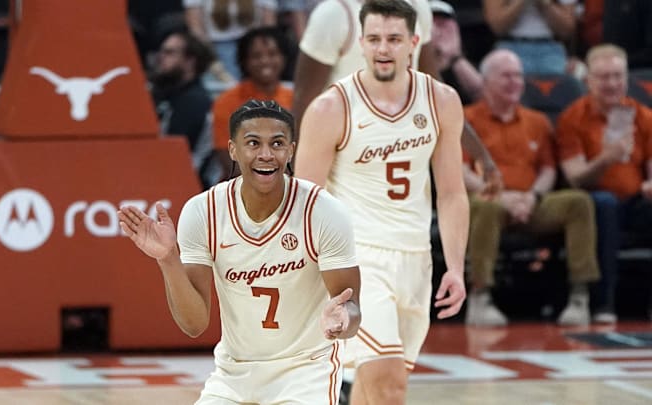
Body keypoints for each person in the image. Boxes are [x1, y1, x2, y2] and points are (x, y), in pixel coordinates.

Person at [118, 100, 361, 404]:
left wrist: (343, 318)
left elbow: (352, 308)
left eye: (277, 143)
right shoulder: (203, 211)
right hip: (234, 373)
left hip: (305, 370)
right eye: (253, 143)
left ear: (291, 151)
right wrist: (168, 260)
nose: (266, 154)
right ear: (233, 149)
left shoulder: (323, 211)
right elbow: (194, 325)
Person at [295, 1, 468, 403]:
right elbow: (304, 201)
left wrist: (455, 267)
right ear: (361, 43)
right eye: (373, 39)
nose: (383, 49)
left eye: (393, 39)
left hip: (416, 259)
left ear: (414, 42)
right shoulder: (331, 107)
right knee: (389, 386)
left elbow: (453, 191)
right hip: (359, 263)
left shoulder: (441, 101)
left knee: (374, 388)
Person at [293, 0, 503, 198]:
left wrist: (481, 155)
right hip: (343, 162)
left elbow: (436, 93)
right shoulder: (334, 15)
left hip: (401, 156)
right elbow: (303, 103)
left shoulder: (417, 7)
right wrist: (295, 183)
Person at [464, 49, 600, 327]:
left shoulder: (537, 121)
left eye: (518, 76)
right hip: (487, 200)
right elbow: (459, 171)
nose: (515, 82)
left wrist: (532, 197)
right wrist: (501, 196)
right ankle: (480, 297)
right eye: (506, 76)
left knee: (579, 202)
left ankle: (579, 297)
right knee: (484, 207)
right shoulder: (467, 120)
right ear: (487, 81)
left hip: (530, 202)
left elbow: (548, 169)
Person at [556, 44, 652, 323]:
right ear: (588, 81)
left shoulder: (644, 117)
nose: (612, 84)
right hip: (592, 200)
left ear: (627, 79)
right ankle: (603, 304)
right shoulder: (572, 119)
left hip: (634, 200)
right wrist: (606, 159)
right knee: (604, 205)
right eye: (604, 77)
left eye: (617, 76)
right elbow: (575, 177)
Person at [212, 27, 293, 179]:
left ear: (284, 58)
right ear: (244, 61)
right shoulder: (226, 101)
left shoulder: (295, 99)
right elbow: (228, 159)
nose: (265, 61)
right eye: (256, 56)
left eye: (272, 54)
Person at [151, 30, 218, 189]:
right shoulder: (164, 95)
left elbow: (171, 153)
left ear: (190, 61)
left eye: (170, 52)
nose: (161, 58)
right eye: (161, 52)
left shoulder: (194, 101)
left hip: (187, 186)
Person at [183, 0, 277, 81]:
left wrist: (263, 54)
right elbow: (195, 26)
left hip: (253, 43)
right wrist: (212, 59)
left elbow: (268, 23)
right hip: (214, 45)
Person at [483, 0, 578, 76]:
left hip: (551, 49)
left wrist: (545, 4)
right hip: (510, 46)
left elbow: (567, 30)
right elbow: (497, 27)